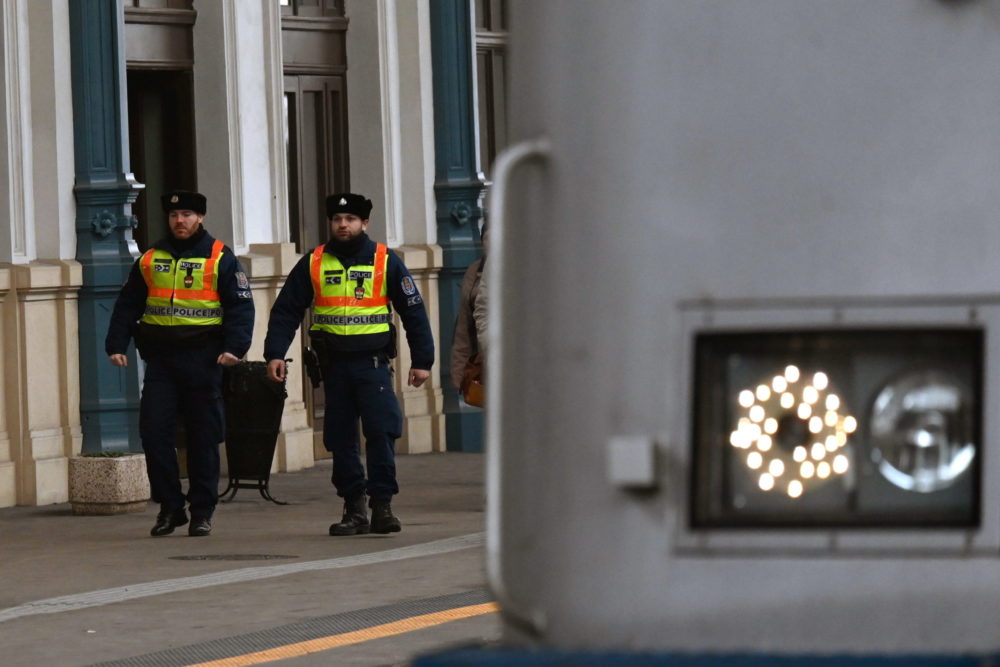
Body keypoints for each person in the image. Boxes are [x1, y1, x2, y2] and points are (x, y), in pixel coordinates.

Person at [263, 193, 434, 536]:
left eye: (351, 219)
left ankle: (382, 506)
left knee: (381, 432)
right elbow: (286, 310)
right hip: (335, 367)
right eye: (338, 219)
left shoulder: (385, 261)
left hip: (373, 364)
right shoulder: (314, 262)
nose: (343, 225)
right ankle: (354, 507)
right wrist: (275, 353)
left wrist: (422, 361)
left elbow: (413, 310)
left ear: (364, 223)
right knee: (340, 438)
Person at [105, 190, 254, 537]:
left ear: (200, 217)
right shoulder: (150, 258)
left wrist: (235, 348)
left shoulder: (220, 257)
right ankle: (171, 508)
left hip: (204, 359)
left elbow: (240, 307)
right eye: (174, 215)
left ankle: (202, 510)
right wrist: (116, 343)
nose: (180, 221)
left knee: (203, 438)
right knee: (154, 434)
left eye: (187, 214)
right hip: (162, 361)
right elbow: (128, 303)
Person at [449, 223, 487, 399]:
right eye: (487, 238)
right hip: (485, 359)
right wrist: (460, 375)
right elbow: (464, 327)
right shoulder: (475, 271)